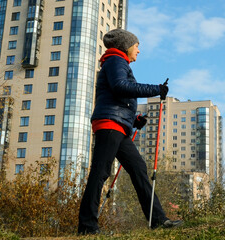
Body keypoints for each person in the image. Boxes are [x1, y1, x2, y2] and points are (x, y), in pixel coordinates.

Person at [78, 29, 182, 235]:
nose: (139, 50)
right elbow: (120, 86)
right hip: (109, 124)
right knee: (100, 173)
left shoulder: (116, 62)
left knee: (138, 169)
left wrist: (134, 120)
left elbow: (115, 97)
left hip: (118, 125)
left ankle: (157, 220)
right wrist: (156, 89)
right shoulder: (116, 60)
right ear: (126, 46)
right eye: (137, 45)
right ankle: (87, 227)